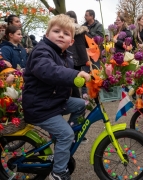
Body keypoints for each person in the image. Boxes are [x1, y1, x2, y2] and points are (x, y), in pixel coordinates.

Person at [22, 14, 90, 180]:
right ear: (46, 35)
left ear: (71, 41)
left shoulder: (65, 55)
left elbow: (69, 76)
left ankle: (64, 141)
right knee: (65, 134)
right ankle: (58, 173)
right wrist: (75, 73)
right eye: (56, 31)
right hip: (40, 107)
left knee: (81, 104)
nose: (61, 35)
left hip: (53, 101)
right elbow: (49, 70)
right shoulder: (42, 51)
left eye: (66, 34)